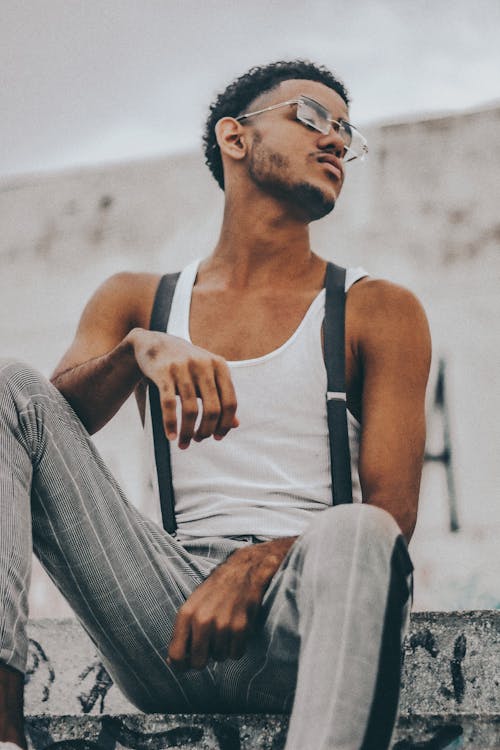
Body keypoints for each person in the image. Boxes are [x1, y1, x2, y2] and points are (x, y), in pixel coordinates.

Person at [0, 60, 431, 750]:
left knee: (359, 530)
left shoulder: (379, 310)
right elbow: (41, 430)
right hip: (171, 622)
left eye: (348, 132)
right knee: (8, 388)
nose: (337, 142)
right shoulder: (138, 299)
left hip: (311, 617)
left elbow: (394, 515)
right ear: (236, 138)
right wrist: (139, 350)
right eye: (312, 116)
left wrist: (258, 563)